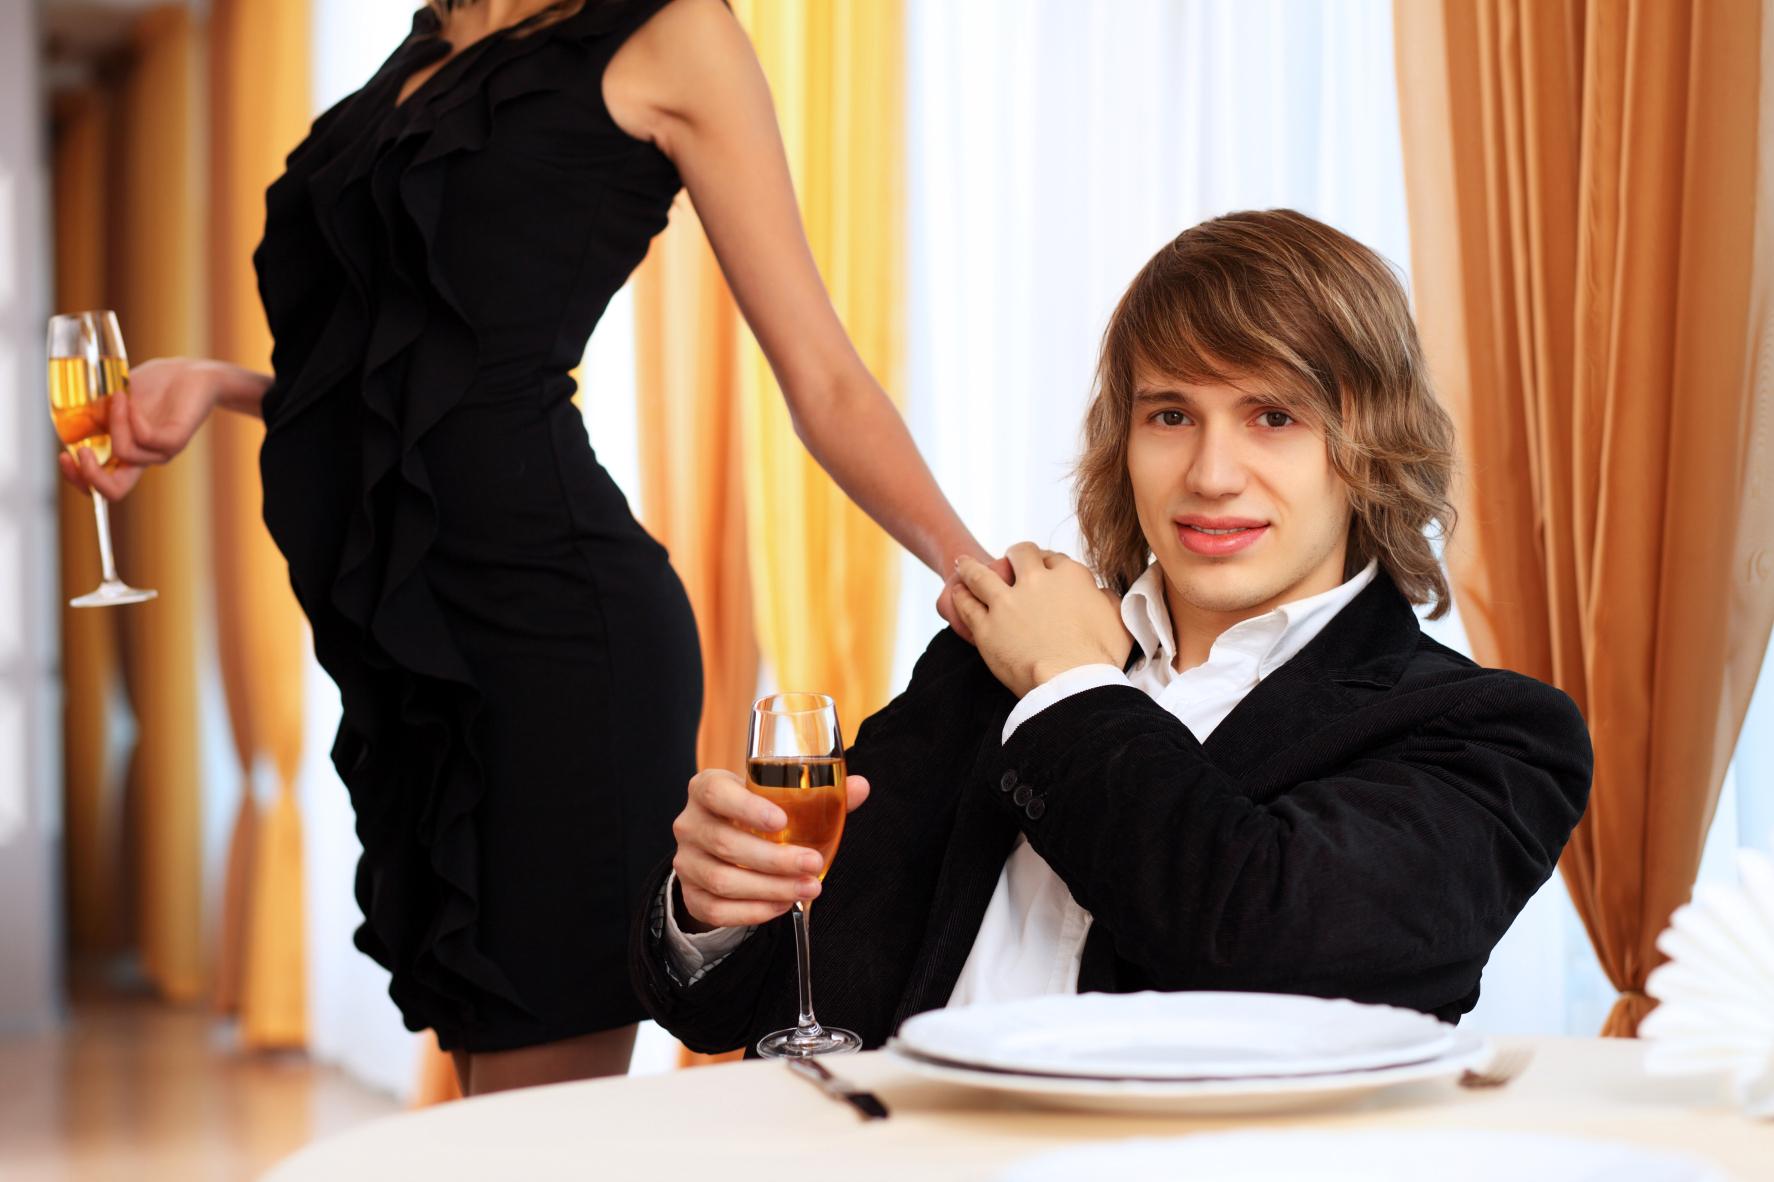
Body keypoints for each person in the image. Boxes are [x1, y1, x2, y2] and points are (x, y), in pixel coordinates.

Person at [58, 0, 994, 1094]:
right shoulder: (428, 45)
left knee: (530, 1129)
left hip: (555, 645)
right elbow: (403, 383)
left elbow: (823, 379)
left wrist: (978, 581)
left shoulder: (671, 32)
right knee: (491, 1097)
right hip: (410, 669)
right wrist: (218, 387)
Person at [633, 209, 1594, 1053]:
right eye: (1171, 414)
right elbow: (754, 1009)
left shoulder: (1487, 732)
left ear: (1368, 445)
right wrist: (712, 909)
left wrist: (1064, 682)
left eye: (1273, 416)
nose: (1212, 474)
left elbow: (1271, 950)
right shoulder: (986, 667)